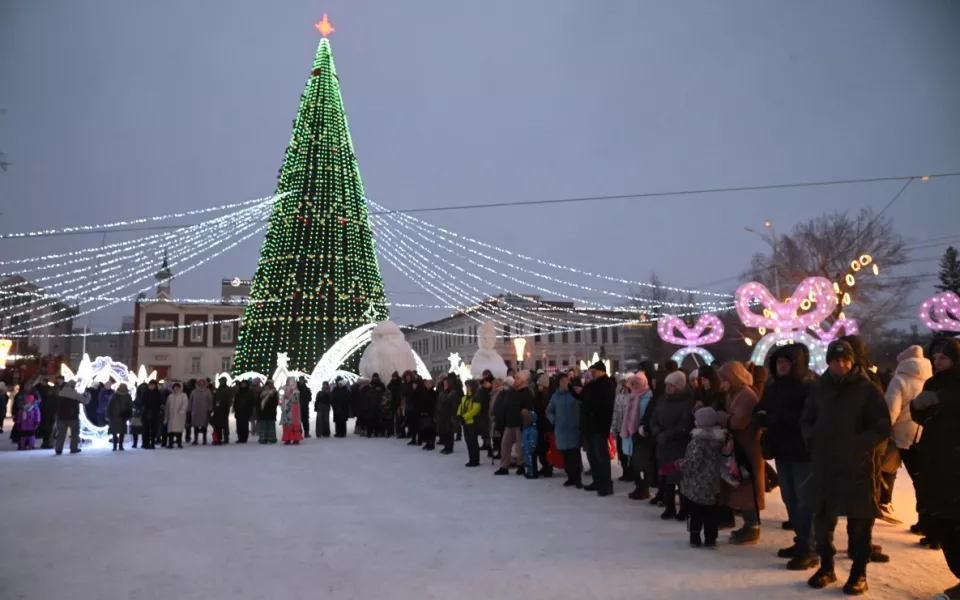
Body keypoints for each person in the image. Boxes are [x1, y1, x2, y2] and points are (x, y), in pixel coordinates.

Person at [801, 340, 891, 595]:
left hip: (858, 466)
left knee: (860, 523)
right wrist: (812, 439)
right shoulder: (819, 387)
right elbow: (807, 418)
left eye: (845, 360)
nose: (840, 364)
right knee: (822, 520)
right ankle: (826, 567)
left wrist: (860, 445)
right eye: (835, 360)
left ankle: (859, 572)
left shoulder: (867, 388)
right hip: (826, 465)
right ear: (828, 361)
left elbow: (882, 425)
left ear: (852, 361)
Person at [754, 344, 817, 568]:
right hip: (781, 449)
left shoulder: (809, 387)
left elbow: (807, 417)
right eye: (778, 363)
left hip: (802, 452)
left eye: (785, 363)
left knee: (804, 501)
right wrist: (760, 416)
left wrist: (775, 418)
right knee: (789, 498)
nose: (781, 367)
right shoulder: (774, 386)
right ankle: (801, 541)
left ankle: (809, 548)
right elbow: (761, 408)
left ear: (795, 364)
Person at [911, 337, 960, 600]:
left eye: (943, 358)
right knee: (941, 524)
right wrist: (917, 406)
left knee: (955, 524)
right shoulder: (932, 383)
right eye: (935, 357)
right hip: (934, 463)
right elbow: (924, 419)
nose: (937, 362)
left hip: (955, 466)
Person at [716, 361, 764, 545]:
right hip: (738, 448)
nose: (722, 383)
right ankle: (748, 524)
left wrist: (720, 417)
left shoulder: (746, 396)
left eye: (724, 379)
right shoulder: (734, 394)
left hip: (747, 450)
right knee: (741, 487)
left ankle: (753, 526)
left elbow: (738, 422)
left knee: (748, 488)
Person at [884, 345, 932, 528]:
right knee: (921, 479)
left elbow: (891, 410)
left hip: (900, 434)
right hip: (921, 434)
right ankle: (926, 519)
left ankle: (883, 501)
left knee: (888, 468)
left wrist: (884, 430)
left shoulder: (900, 380)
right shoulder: (930, 379)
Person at [679, 407, 727, 548]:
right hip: (713, 482)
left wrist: (680, 465)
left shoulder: (698, 440)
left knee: (695, 512)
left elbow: (694, 461)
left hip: (697, 483)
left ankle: (695, 537)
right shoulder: (720, 439)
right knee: (711, 512)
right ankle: (711, 538)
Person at [650, 370, 695, 518]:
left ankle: (684, 509)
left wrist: (667, 434)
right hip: (663, 445)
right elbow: (654, 417)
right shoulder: (663, 399)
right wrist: (656, 431)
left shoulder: (687, 401)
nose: (668, 387)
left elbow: (685, 424)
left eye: (671, 385)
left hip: (678, 445)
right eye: (667, 384)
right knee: (665, 478)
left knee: (679, 478)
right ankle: (669, 506)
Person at [579, 361, 618, 496]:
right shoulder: (593, 384)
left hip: (600, 425)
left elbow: (603, 405)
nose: (592, 374)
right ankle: (597, 480)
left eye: (594, 372)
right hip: (590, 425)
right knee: (592, 455)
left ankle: (606, 484)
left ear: (601, 371)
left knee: (601, 455)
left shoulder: (607, 384)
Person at [546, 371, 582, 488]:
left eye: (566, 380)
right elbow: (549, 411)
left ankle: (577, 478)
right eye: (562, 381)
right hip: (561, 430)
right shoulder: (555, 396)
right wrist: (555, 421)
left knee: (575, 455)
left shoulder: (574, 394)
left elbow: (583, 406)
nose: (564, 383)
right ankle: (570, 477)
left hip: (574, 429)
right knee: (566, 456)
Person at [494, 371, 533, 475]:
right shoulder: (511, 392)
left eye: (518, 379)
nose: (515, 380)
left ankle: (521, 465)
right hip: (509, 423)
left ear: (524, 381)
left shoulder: (527, 393)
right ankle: (504, 466)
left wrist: (526, 423)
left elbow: (528, 410)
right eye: (515, 378)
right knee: (505, 445)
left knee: (521, 447)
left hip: (520, 424)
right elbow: (505, 407)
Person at [623, 373, 654, 500]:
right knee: (634, 463)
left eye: (637, 383)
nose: (635, 386)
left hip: (642, 434)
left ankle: (644, 488)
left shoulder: (649, 397)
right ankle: (638, 486)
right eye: (633, 383)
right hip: (631, 433)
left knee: (643, 463)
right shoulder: (631, 396)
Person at [54, 382, 87, 455]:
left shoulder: (60, 393)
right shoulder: (74, 394)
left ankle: (58, 449)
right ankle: (73, 448)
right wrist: (86, 395)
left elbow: (55, 405)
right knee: (75, 434)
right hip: (73, 417)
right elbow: (85, 401)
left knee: (61, 434)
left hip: (61, 417)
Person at [533, 373, 554, 477]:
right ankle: (545, 466)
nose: (539, 387)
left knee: (546, 448)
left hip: (547, 426)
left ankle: (548, 467)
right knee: (541, 448)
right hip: (539, 425)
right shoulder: (537, 396)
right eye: (538, 385)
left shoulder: (549, 397)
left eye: (541, 385)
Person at [457, 380, 482, 466]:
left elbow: (475, 410)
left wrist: (464, 417)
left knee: (472, 442)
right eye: (466, 386)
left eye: (468, 386)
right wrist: (459, 415)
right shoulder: (465, 397)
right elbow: (460, 406)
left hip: (473, 423)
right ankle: (471, 459)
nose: (467, 388)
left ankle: (475, 460)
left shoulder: (476, 397)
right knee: (468, 441)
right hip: (466, 423)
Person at [107, 383, 134, 451]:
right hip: (114, 416)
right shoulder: (115, 395)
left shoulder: (128, 396)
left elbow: (130, 406)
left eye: (123, 387)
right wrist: (108, 415)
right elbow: (110, 405)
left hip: (123, 416)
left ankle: (121, 445)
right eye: (121, 387)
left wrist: (130, 416)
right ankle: (115, 446)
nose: (121, 388)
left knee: (122, 431)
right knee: (114, 432)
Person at [436, 376, 459, 454]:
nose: (445, 385)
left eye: (446, 383)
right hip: (442, 415)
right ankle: (446, 446)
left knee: (449, 432)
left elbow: (454, 406)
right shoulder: (442, 392)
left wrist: (453, 415)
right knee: (444, 432)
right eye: (444, 383)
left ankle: (449, 448)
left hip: (449, 415)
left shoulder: (453, 393)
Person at [189, 379, 213, 446]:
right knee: (196, 426)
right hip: (196, 410)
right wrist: (189, 409)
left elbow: (210, 400)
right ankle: (195, 440)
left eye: (203, 384)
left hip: (204, 410)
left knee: (204, 425)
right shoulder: (194, 391)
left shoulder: (208, 391)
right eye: (200, 384)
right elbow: (190, 400)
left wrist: (210, 409)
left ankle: (204, 440)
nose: (201, 385)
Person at [280, 377, 304, 445]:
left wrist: (289, 397)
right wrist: (282, 400)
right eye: (288, 381)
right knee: (287, 425)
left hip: (294, 409)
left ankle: (296, 438)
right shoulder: (283, 389)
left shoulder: (296, 391)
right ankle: (287, 439)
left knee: (294, 425)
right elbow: (280, 399)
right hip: (286, 410)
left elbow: (296, 400)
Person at [165, 382, 188, 449]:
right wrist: (166, 415)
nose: (176, 388)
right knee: (171, 431)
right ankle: (170, 443)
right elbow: (167, 406)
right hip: (171, 416)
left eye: (177, 387)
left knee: (179, 431)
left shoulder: (183, 395)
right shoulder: (170, 396)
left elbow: (185, 403)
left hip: (179, 416)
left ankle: (179, 443)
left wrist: (182, 410)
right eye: (174, 387)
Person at [140, 380, 163, 449]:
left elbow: (160, 402)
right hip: (146, 413)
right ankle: (145, 443)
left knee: (154, 429)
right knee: (145, 429)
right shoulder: (145, 393)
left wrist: (155, 409)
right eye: (150, 385)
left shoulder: (158, 393)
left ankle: (152, 443)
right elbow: (142, 402)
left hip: (155, 413)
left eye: (153, 385)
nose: (151, 386)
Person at [212, 378, 234, 445]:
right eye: (220, 381)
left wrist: (228, 405)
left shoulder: (228, 389)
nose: (221, 382)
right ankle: (219, 437)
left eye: (222, 381)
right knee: (218, 424)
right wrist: (214, 406)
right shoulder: (218, 389)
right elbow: (215, 398)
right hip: (218, 409)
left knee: (224, 424)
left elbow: (230, 399)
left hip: (224, 408)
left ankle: (226, 437)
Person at [476, 375, 493, 453]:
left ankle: (489, 446)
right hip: (482, 411)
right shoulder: (482, 390)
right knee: (484, 429)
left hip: (488, 412)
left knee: (488, 430)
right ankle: (485, 443)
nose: (485, 383)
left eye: (487, 382)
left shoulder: (491, 391)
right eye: (485, 382)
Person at [521, 408, 539, 479]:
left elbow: (533, 439)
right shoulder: (527, 429)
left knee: (531, 461)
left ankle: (532, 473)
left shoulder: (532, 429)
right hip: (527, 449)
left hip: (530, 449)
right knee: (528, 461)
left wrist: (532, 446)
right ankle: (530, 472)